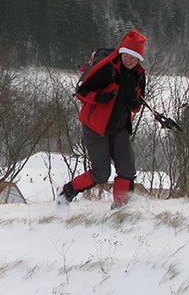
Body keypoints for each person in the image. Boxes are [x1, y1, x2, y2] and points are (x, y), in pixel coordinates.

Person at [58, 30, 147, 209]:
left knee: (127, 170)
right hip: (95, 127)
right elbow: (81, 92)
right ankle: (66, 192)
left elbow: (137, 107)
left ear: (139, 59)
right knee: (101, 173)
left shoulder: (139, 76)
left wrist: (134, 103)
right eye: (126, 55)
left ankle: (119, 208)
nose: (129, 60)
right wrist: (100, 98)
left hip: (120, 128)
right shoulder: (107, 69)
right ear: (121, 53)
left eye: (134, 57)